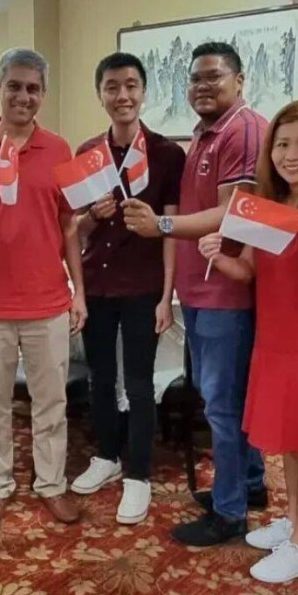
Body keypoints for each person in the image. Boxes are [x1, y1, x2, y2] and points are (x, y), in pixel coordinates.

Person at [199, 100, 298, 582]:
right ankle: (293, 522)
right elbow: (247, 270)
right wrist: (218, 257)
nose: (291, 154)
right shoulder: (268, 205)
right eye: (283, 143)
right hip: (273, 342)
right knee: (286, 444)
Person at [124, 42, 268, 546]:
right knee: (227, 402)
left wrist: (160, 223)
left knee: (223, 408)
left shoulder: (244, 129)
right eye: (195, 79)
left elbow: (234, 213)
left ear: (240, 79)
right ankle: (248, 485)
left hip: (225, 292)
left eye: (214, 77)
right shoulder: (209, 133)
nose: (203, 87)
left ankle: (229, 513)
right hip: (203, 291)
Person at [0, 48, 87, 529]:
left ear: (43, 95)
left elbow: (69, 225)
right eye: (14, 86)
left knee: (53, 402)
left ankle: (51, 483)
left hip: (48, 301)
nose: (23, 96)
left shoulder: (59, 150)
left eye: (33, 88)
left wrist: (79, 292)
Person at [68, 52, 185, 524]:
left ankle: (138, 476)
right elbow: (74, 231)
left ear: (143, 92)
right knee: (99, 379)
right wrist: (90, 219)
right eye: (112, 86)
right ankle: (107, 457)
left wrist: (166, 297)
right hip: (97, 283)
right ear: (100, 94)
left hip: (143, 286)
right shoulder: (86, 154)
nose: (123, 95)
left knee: (139, 384)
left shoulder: (166, 153)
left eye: (131, 85)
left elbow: (172, 229)